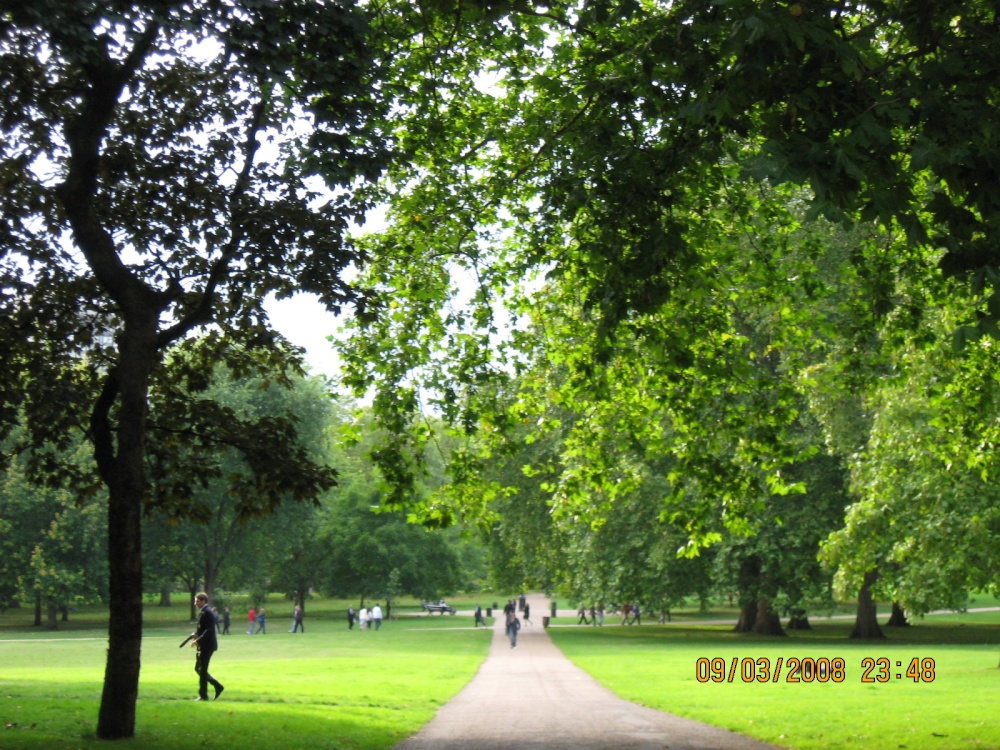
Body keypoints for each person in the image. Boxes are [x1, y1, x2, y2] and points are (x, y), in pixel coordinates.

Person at [190, 592, 224, 701]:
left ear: (203, 601)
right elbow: (204, 629)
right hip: (205, 645)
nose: (195, 603)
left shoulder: (207, 612)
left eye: (197, 601)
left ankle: (204, 695)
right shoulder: (204, 612)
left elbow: (209, 630)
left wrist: (198, 640)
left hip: (207, 645)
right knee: (199, 669)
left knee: (202, 669)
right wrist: (196, 635)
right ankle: (217, 686)